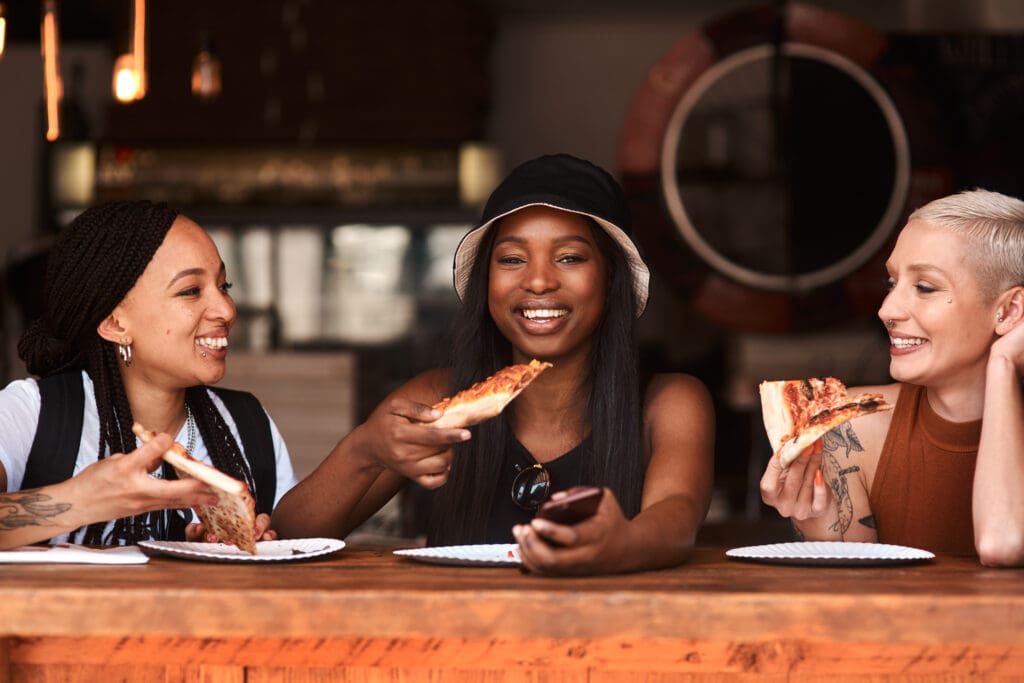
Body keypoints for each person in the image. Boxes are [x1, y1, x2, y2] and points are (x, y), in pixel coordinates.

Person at [272, 153, 715, 575]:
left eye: (570, 257)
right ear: (486, 280)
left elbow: (675, 521)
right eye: (512, 259)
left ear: (612, 276)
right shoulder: (434, 400)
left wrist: (619, 546)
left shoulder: (670, 403)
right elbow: (286, 540)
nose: (539, 280)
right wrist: (364, 451)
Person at [0, 200, 297, 549]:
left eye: (224, 286)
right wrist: (80, 501)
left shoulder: (246, 425)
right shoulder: (30, 414)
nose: (226, 310)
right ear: (114, 323)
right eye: (190, 291)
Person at [759, 188, 1024, 566]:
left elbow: (1003, 544)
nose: (886, 310)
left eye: (925, 287)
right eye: (891, 283)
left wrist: (1002, 365)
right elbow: (856, 601)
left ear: (1009, 311)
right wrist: (813, 513)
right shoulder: (848, 423)